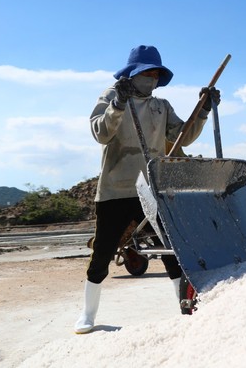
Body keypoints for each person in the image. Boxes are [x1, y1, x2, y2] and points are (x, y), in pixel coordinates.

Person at [74, 45, 220, 334]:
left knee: (170, 250)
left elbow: (184, 137)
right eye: (147, 73)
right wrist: (118, 104)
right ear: (133, 73)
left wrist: (202, 110)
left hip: (152, 188)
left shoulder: (160, 107)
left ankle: (185, 307)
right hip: (116, 189)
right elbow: (101, 133)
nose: (152, 78)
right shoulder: (111, 96)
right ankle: (87, 315)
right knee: (102, 251)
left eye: (156, 74)